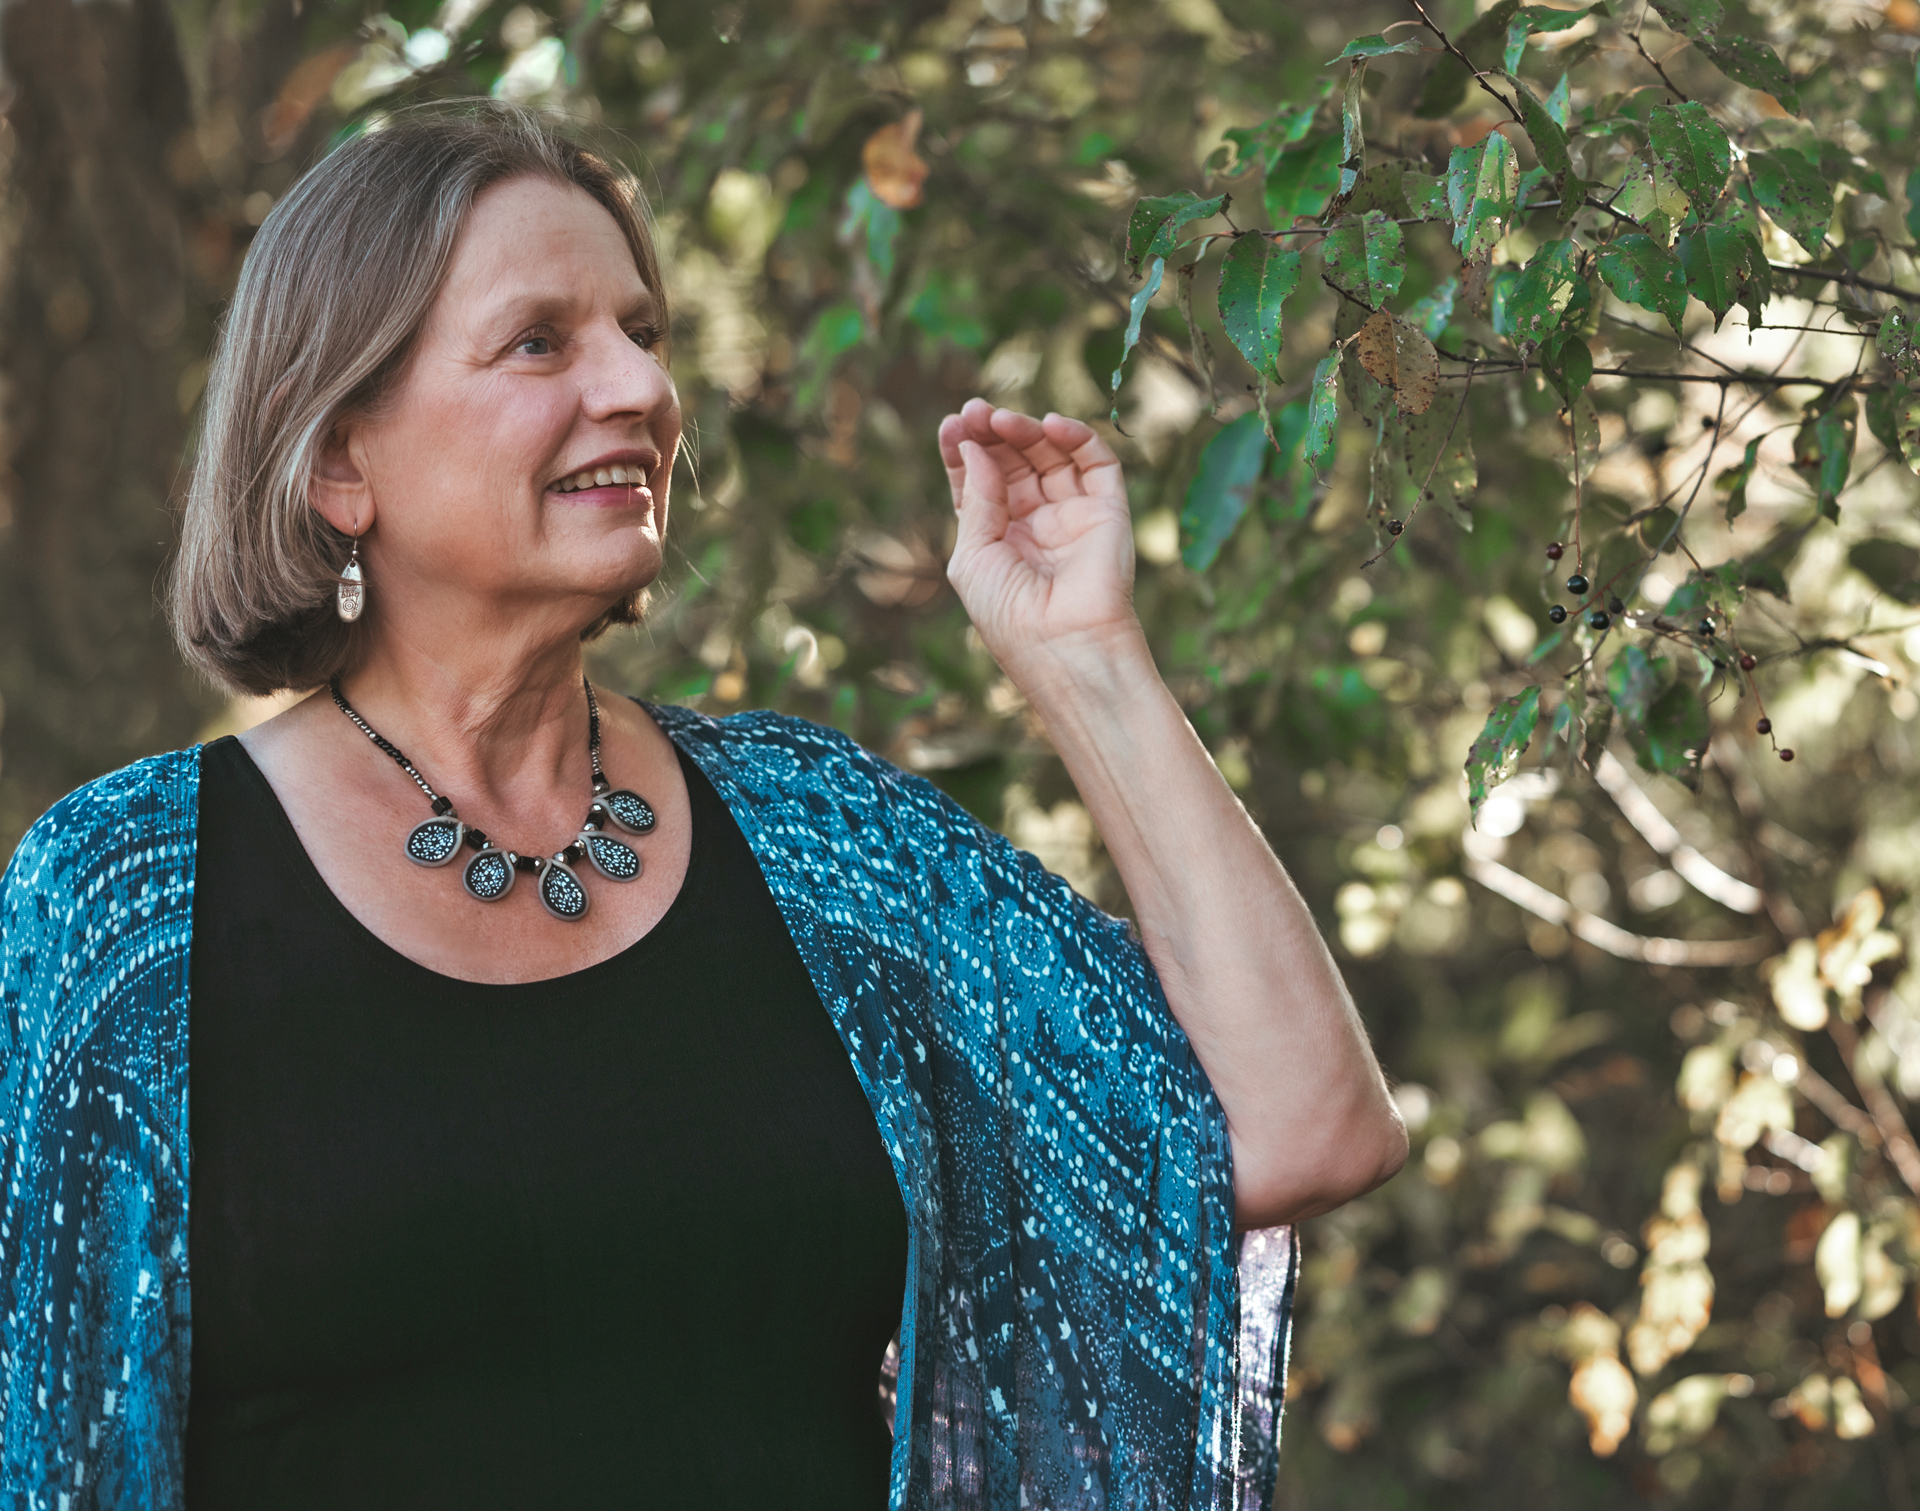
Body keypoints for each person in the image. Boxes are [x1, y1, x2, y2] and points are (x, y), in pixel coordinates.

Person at [0, 101, 1405, 1510]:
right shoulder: (124, 902)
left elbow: (1299, 1128)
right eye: (541, 340)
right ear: (337, 463)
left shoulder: (820, 845)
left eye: (645, 331)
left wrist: (1085, 660)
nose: (638, 387)